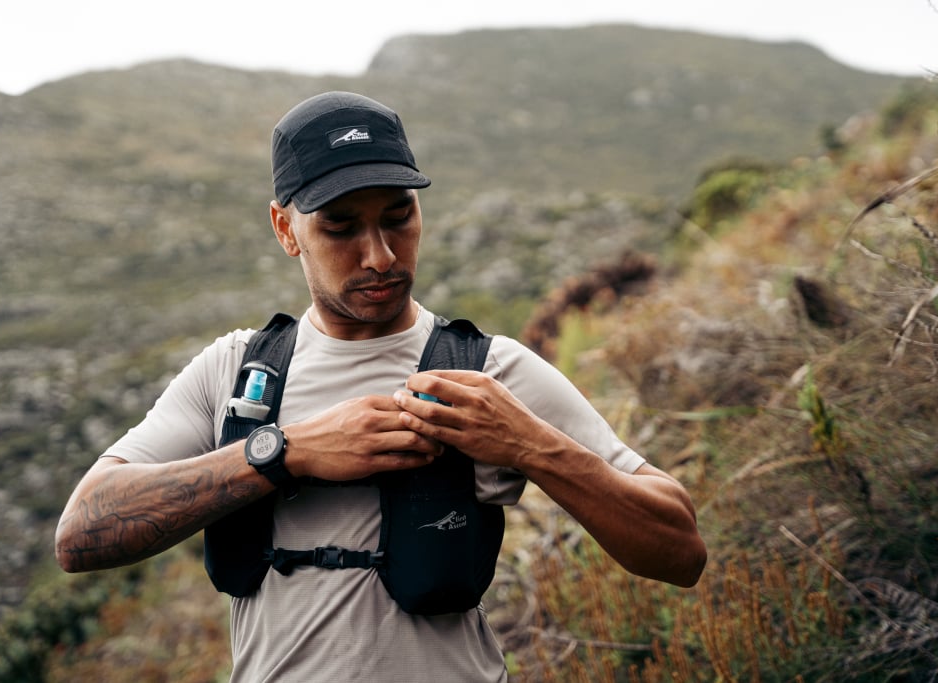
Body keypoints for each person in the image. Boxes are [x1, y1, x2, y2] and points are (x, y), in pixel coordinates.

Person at [55, 91, 706, 681]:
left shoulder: (491, 370)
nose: (381, 256)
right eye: (340, 226)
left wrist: (531, 444)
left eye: (399, 217)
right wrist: (285, 452)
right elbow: (81, 534)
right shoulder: (234, 371)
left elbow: (680, 550)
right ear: (286, 229)